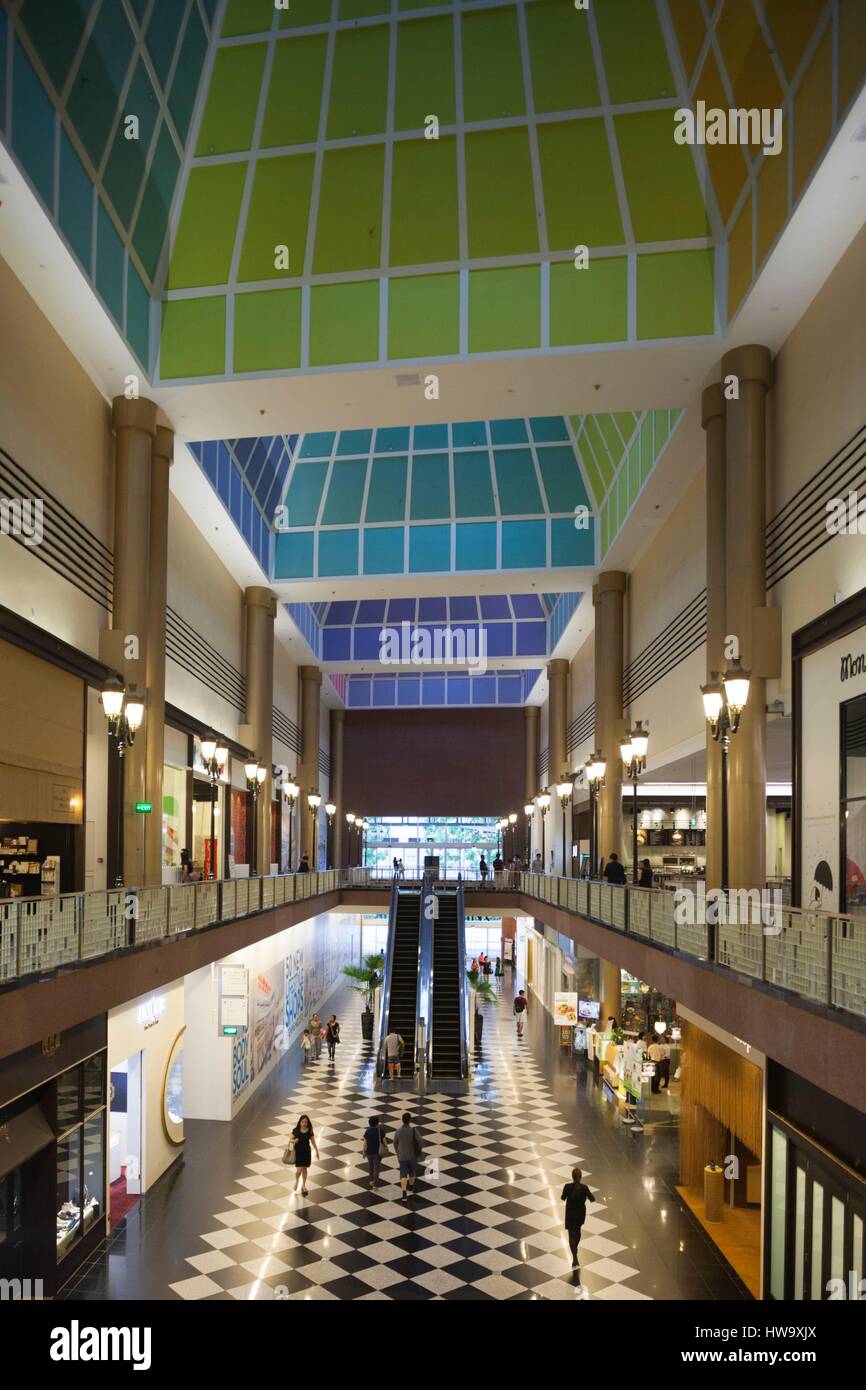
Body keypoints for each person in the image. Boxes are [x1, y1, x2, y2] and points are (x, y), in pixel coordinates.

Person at [561, 1166, 595, 1269]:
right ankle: (575, 1251)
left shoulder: (567, 1187)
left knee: (571, 1235)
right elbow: (592, 1199)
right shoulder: (584, 1188)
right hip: (580, 1214)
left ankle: (575, 1257)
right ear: (581, 1177)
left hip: (570, 1213)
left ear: (572, 1177)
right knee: (578, 1232)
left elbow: (563, 1198)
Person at [393, 1111, 423, 1201]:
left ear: (402, 1120)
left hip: (402, 1156)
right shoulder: (413, 1130)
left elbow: (395, 1143)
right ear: (410, 1120)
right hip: (412, 1155)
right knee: (412, 1172)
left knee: (403, 1174)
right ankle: (411, 1186)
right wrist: (419, 1149)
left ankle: (404, 1193)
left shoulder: (398, 1132)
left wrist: (398, 1153)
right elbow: (420, 1141)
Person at [289, 1114, 319, 1196]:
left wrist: (316, 1150)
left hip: (306, 1152)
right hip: (298, 1152)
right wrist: (294, 1141)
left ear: (308, 1123)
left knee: (305, 1169)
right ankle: (297, 1181)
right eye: (303, 1122)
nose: (304, 1123)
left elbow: (313, 1142)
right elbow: (290, 1140)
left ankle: (303, 1186)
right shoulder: (296, 1130)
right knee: (299, 1170)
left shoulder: (310, 1131)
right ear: (300, 1122)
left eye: (306, 1122)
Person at [361, 1115, 388, 1192]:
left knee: (371, 1167)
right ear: (377, 1123)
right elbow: (385, 1141)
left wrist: (363, 1152)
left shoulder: (368, 1131)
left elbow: (365, 1142)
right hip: (377, 1153)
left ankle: (372, 1180)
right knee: (376, 1168)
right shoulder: (380, 1131)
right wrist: (386, 1147)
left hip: (369, 1152)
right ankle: (375, 1185)